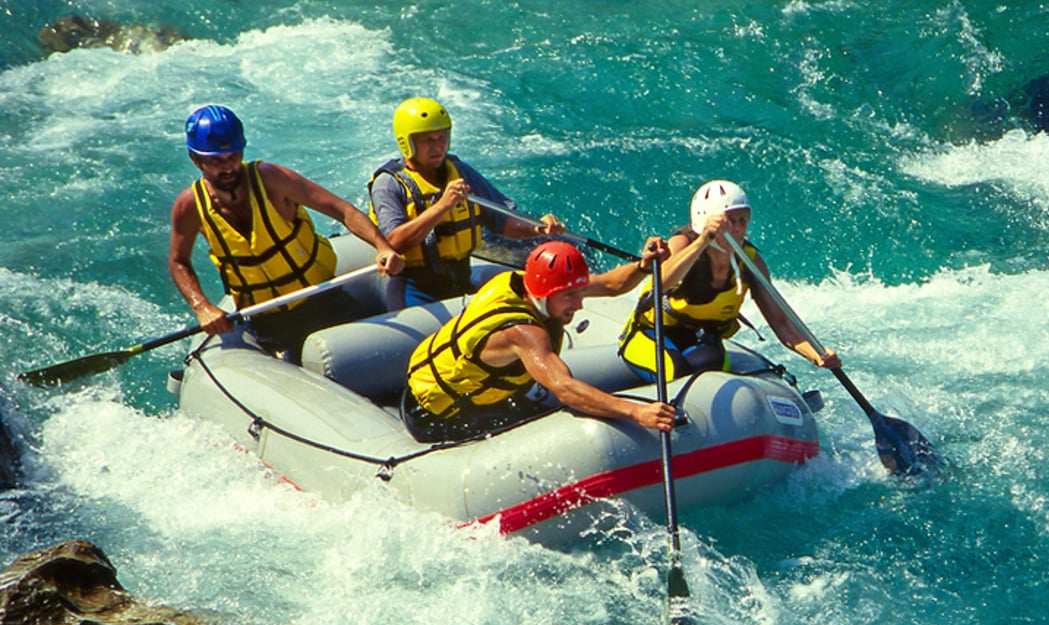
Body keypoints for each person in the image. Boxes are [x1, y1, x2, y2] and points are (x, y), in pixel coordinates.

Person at [169, 105, 404, 361]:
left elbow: (343, 211)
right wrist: (201, 306)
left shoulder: (272, 179)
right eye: (216, 160)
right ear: (196, 160)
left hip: (324, 299)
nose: (228, 168)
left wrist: (383, 246)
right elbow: (178, 261)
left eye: (233, 156)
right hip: (267, 320)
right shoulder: (189, 206)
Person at [404, 240, 674, 442]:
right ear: (544, 294)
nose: (579, 304)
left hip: (457, 387)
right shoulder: (523, 333)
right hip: (438, 415)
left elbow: (610, 285)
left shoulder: (530, 284)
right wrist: (637, 413)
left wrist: (642, 266)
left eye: (579, 292)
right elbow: (566, 389)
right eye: (570, 296)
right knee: (544, 426)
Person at [618, 179, 840, 381]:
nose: (737, 228)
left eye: (742, 220)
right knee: (674, 370)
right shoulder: (682, 244)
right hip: (651, 333)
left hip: (700, 339)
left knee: (710, 366)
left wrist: (816, 355)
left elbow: (781, 322)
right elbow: (662, 282)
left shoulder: (750, 262)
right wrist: (704, 240)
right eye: (729, 221)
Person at [368, 97, 566, 307]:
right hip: (413, 288)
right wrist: (442, 206)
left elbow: (503, 222)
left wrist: (538, 228)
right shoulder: (389, 184)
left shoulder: (461, 172)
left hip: (461, 280)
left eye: (442, 137)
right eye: (428, 140)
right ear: (407, 143)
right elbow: (392, 243)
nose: (438, 146)